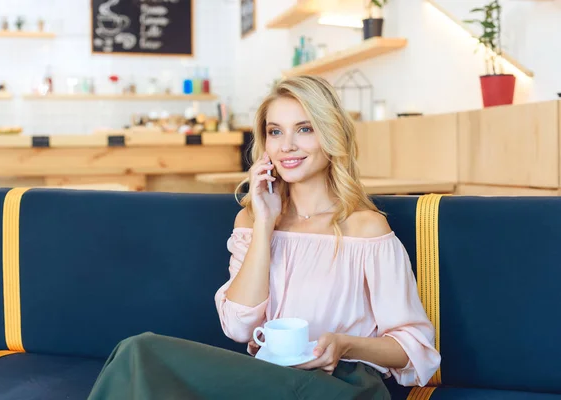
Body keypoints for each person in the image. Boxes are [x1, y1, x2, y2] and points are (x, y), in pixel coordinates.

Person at [88, 76, 440, 400]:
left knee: (140, 352)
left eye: (304, 129)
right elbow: (239, 327)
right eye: (275, 132)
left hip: (342, 386)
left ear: (331, 135)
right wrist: (265, 223)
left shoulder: (366, 229)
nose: (287, 145)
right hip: (270, 379)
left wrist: (344, 345)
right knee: (137, 358)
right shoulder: (253, 221)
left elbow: (414, 347)